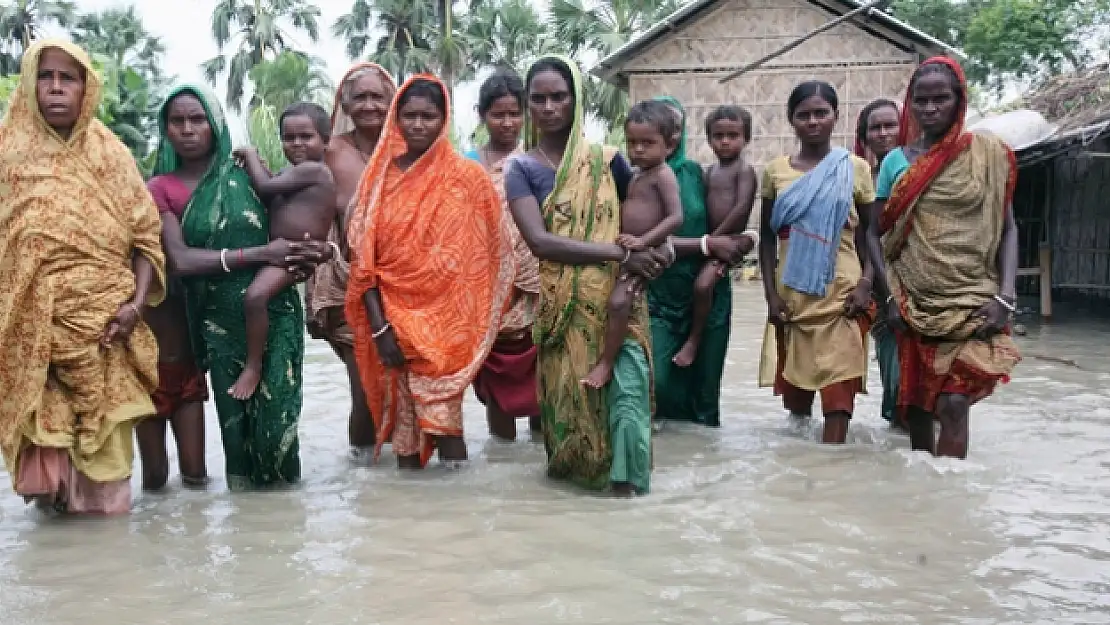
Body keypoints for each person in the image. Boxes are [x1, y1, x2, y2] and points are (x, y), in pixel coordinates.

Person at [0, 40, 166, 514]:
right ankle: (64, 579)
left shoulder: (110, 154)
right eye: (45, 76)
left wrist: (135, 306)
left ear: (85, 88)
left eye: (67, 78)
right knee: (46, 478)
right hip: (31, 333)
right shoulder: (7, 156)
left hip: (107, 328)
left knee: (108, 469)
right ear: (30, 83)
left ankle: (110, 571)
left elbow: (144, 238)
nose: (55, 88)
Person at [506, 56, 673, 495]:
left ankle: (631, 498)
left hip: (621, 299)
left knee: (629, 398)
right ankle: (580, 506)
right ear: (527, 104)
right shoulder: (521, 169)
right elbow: (540, 242)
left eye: (559, 96)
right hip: (565, 313)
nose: (548, 107)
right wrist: (620, 255)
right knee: (573, 409)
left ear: (575, 99)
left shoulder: (609, 161)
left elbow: (640, 218)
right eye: (538, 98)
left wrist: (661, 250)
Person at [152, 84, 331, 490]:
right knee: (237, 436)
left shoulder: (248, 176)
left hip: (276, 311)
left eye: (197, 119)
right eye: (177, 121)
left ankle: (284, 530)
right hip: (219, 325)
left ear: (215, 124)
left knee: (279, 427)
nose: (188, 129)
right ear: (166, 130)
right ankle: (245, 533)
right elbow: (180, 261)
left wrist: (321, 251)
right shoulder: (161, 188)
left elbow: (301, 225)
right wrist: (259, 254)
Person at [344, 75, 514, 469]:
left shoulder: (469, 178)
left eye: (429, 116)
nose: (418, 125)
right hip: (393, 320)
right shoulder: (378, 181)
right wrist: (380, 328)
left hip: (449, 329)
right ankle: (410, 518)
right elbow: (363, 262)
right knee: (406, 427)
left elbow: (491, 252)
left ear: (444, 119)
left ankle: (453, 517)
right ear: (396, 120)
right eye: (410, 116)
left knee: (446, 423)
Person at [867, 57, 1021, 458]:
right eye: (921, 101)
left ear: (959, 101)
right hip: (912, 299)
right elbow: (873, 231)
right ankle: (924, 500)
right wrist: (887, 300)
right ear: (910, 104)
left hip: (972, 298)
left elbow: (1008, 229)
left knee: (953, 402)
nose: (930, 109)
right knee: (918, 405)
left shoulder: (988, 156)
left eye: (941, 99)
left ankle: (952, 495)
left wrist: (1005, 296)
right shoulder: (896, 161)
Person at [757, 81, 876, 444]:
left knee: (838, 402)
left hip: (843, 296)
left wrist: (866, 284)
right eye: (803, 115)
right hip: (793, 298)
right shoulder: (775, 171)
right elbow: (765, 239)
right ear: (791, 120)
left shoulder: (855, 168)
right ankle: (802, 486)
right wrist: (770, 297)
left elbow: (870, 235)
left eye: (820, 113)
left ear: (835, 116)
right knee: (797, 403)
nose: (813, 121)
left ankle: (833, 482)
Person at [647, 98, 757, 428]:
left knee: (706, 392)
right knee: (659, 386)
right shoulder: (638, 181)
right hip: (661, 297)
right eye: (660, 130)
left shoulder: (697, 174)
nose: (671, 136)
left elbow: (738, 213)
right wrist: (710, 244)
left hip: (710, 292)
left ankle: (704, 463)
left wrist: (744, 238)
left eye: (676, 129)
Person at [306, 63, 396, 458]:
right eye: (360, 97)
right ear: (344, 103)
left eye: (378, 96)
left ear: (392, 100)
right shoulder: (329, 153)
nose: (370, 105)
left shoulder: (409, 149)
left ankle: (405, 480)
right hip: (349, 287)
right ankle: (362, 474)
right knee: (364, 388)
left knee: (406, 389)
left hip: (403, 284)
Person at [229, 103, 337, 400]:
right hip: (284, 252)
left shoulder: (314, 170)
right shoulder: (292, 172)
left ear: (326, 141)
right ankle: (255, 359)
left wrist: (251, 156)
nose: (297, 144)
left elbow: (265, 189)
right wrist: (262, 169)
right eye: (289, 138)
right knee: (256, 297)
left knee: (255, 296)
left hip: (293, 254)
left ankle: (253, 365)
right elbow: (272, 194)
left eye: (306, 137)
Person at [581, 100, 684, 390]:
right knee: (611, 300)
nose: (638, 149)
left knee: (617, 302)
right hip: (631, 251)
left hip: (647, 250)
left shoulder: (664, 175)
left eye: (648, 143)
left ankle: (607, 363)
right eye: (632, 142)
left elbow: (675, 217)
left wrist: (642, 242)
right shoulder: (638, 174)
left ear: (669, 145)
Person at [465, 70, 543, 441]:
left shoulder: (537, 161)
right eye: (499, 114)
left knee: (542, 374)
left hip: (537, 286)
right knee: (498, 378)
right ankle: (502, 461)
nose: (508, 122)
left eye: (515, 113)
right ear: (482, 115)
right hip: (487, 289)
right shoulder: (467, 165)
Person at [672, 104, 758, 369]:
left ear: (746, 138)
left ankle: (694, 341)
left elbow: (741, 208)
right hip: (713, 242)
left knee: (702, 286)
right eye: (718, 136)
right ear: (709, 139)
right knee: (695, 286)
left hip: (728, 239)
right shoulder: (708, 172)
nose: (725, 142)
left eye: (733, 136)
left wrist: (714, 240)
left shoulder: (744, 171)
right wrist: (707, 242)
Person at [853, 98, 902, 428]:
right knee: (892, 365)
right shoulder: (859, 178)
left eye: (891, 126)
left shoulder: (917, 173)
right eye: (876, 127)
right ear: (865, 135)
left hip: (922, 281)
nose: (884, 133)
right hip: (877, 287)